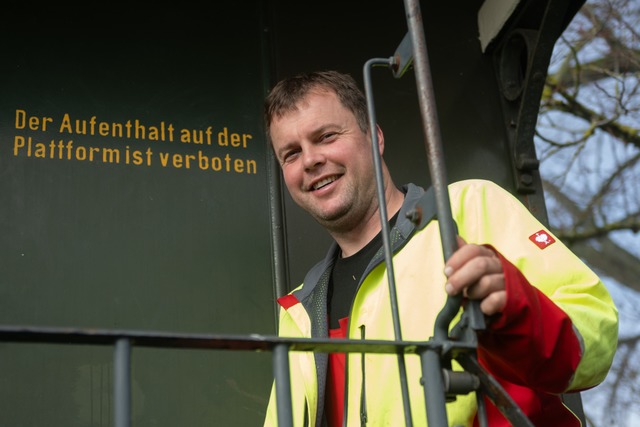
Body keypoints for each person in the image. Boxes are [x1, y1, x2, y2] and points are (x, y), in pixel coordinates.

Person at [262, 70, 618, 426]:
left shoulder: (469, 207)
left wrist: (513, 305)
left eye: (325, 136)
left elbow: (595, 336)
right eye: (291, 154)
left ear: (375, 138)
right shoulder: (300, 311)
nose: (310, 160)